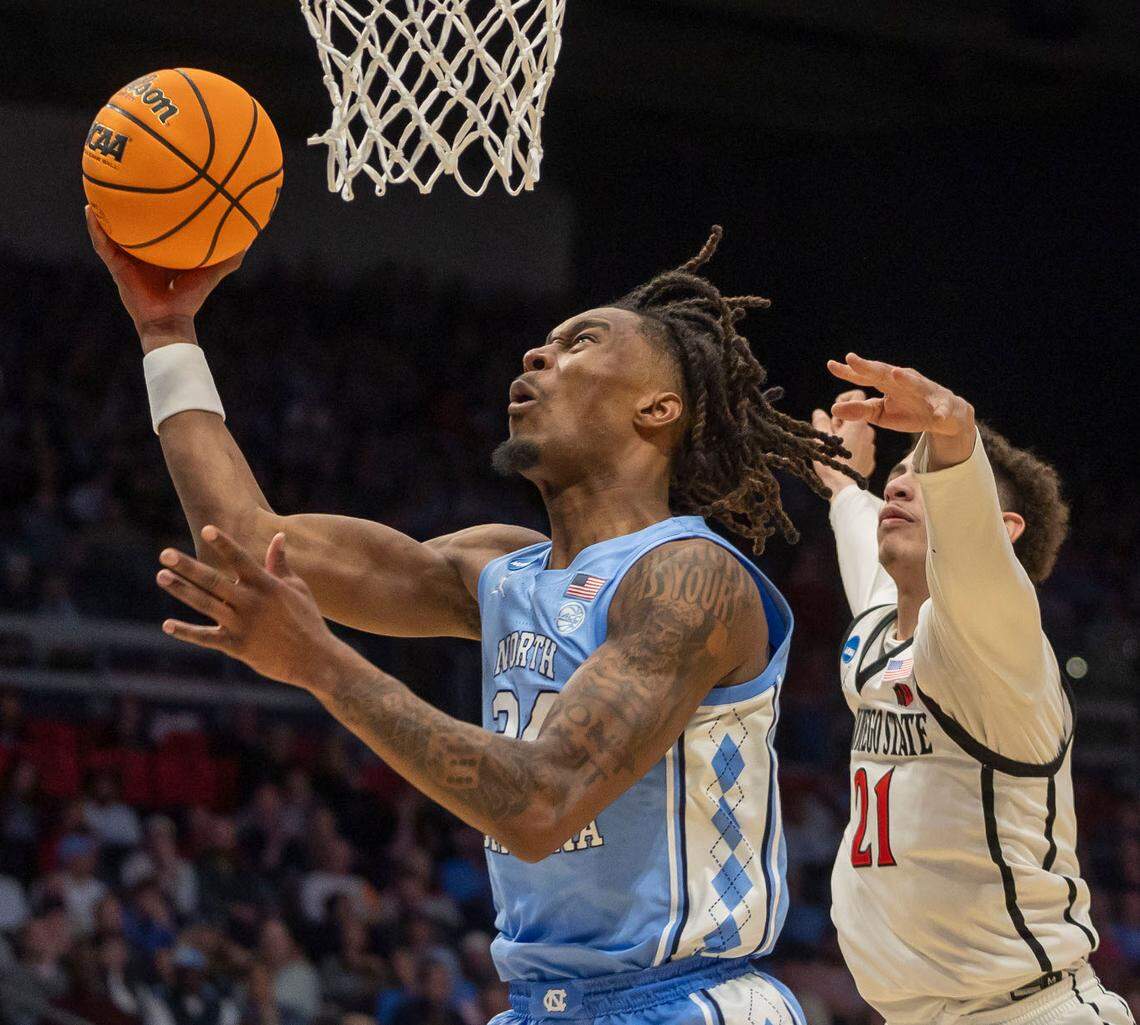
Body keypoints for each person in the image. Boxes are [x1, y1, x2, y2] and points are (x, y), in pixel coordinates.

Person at [89, 211, 862, 1025]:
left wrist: (320, 662)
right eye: (545, 343)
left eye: (582, 343)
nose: (537, 354)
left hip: (683, 1001)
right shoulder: (496, 569)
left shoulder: (689, 578)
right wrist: (167, 333)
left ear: (658, 408)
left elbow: (542, 802)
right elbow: (250, 540)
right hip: (537, 1005)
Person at [810, 354, 1131, 1025]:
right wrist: (846, 483)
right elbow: (859, 525)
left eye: (921, 480)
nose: (899, 485)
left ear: (999, 529)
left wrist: (953, 434)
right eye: (898, 476)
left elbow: (972, 556)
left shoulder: (1000, 646)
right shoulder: (880, 624)